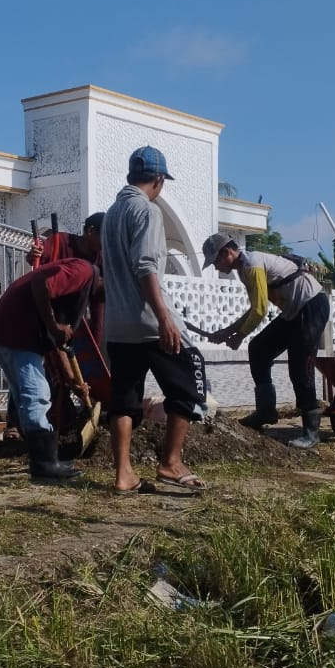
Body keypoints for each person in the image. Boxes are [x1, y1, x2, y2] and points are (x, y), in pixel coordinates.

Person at [102, 145, 208, 493]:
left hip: (118, 327)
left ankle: (124, 474)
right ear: (159, 180)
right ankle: (171, 462)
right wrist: (164, 318)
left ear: (131, 175)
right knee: (190, 381)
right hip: (149, 322)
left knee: (124, 400)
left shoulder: (112, 214)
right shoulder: (147, 210)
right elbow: (146, 266)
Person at [200, 233, 330, 449]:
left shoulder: (252, 264)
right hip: (293, 312)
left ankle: (311, 432)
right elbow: (254, 308)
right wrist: (228, 331)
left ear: (227, 252)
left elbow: (260, 310)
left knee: (300, 365)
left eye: (216, 261)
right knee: (259, 349)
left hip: (312, 305)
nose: (215, 266)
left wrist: (239, 335)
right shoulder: (244, 270)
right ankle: (266, 411)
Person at [0, 257, 100, 480]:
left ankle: (44, 459)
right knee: (36, 394)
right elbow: (40, 282)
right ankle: (44, 464)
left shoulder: (78, 285)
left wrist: (72, 380)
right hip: (16, 331)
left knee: (27, 395)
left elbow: (57, 343)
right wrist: (54, 326)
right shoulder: (83, 271)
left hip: (11, 329)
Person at [3, 212, 107, 443]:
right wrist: (33, 256)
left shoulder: (100, 259)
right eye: (106, 235)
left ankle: (58, 420)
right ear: (91, 231)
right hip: (45, 310)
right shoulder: (60, 242)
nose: (108, 241)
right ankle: (16, 423)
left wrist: (94, 341)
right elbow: (37, 269)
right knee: (29, 371)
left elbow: (98, 302)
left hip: (69, 318)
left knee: (59, 372)